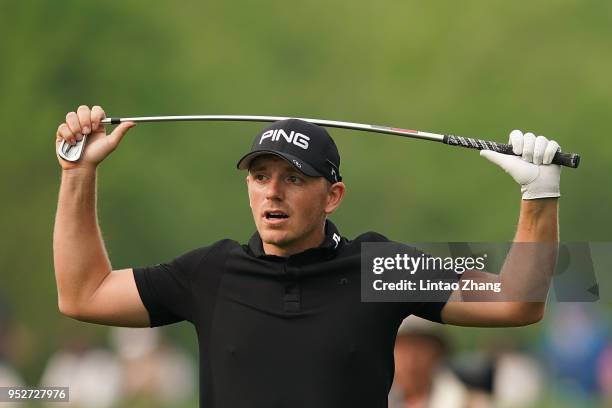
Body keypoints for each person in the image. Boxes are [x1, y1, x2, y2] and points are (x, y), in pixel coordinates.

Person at [53, 105, 560, 408]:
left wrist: (539, 198)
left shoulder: (378, 266)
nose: (272, 193)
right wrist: (78, 174)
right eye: (260, 176)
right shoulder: (210, 272)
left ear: (333, 196)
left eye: (293, 178)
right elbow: (83, 294)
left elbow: (519, 301)